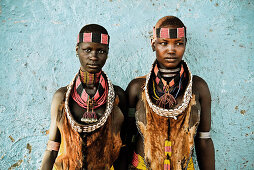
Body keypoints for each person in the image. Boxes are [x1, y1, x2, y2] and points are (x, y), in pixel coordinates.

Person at [126, 16, 215, 169]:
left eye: (179, 43)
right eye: (164, 43)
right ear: (153, 44)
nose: (171, 50)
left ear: (186, 44)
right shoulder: (137, 87)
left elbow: (204, 139)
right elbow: (126, 138)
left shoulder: (198, 87)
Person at [41, 24, 127, 170]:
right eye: (87, 50)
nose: (93, 56)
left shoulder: (117, 96)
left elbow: (122, 147)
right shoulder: (62, 97)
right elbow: (52, 147)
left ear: (107, 53)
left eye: (100, 51)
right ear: (77, 50)